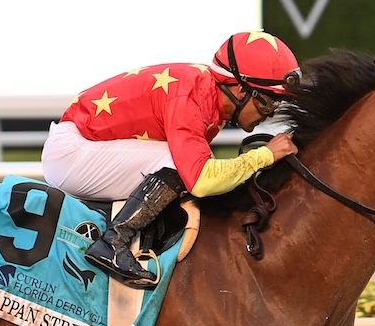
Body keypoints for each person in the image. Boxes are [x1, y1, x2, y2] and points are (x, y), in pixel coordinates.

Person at [41, 30, 302, 288]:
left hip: (84, 149)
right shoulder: (192, 96)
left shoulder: (206, 95)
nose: (269, 113)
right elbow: (201, 180)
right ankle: (113, 242)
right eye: (267, 102)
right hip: (72, 153)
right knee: (183, 166)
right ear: (239, 89)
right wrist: (265, 155)